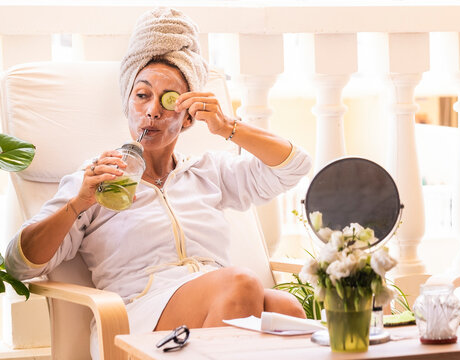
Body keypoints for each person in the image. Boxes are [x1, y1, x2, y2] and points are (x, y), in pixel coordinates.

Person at [5, 7, 312, 359]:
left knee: (285, 309)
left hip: (219, 304)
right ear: (128, 103)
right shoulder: (95, 181)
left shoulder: (208, 174)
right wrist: (78, 203)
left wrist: (228, 127)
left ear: (187, 119)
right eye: (142, 95)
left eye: (168, 101)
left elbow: (295, 165)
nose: (152, 111)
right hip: (138, 316)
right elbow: (19, 264)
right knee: (240, 282)